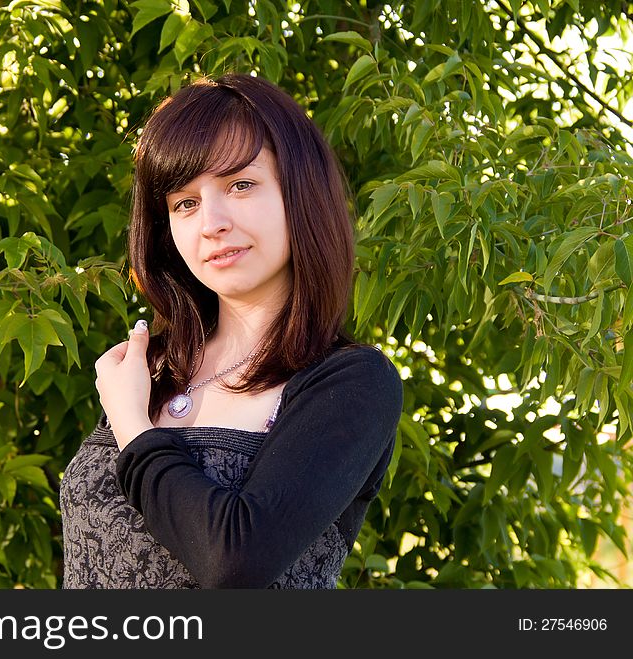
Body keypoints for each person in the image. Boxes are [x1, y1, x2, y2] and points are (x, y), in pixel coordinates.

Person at [59, 73, 403, 589]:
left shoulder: (352, 383)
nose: (211, 222)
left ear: (301, 193)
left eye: (240, 185)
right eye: (184, 203)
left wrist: (132, 422)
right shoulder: (152, 368)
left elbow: (234, 562)